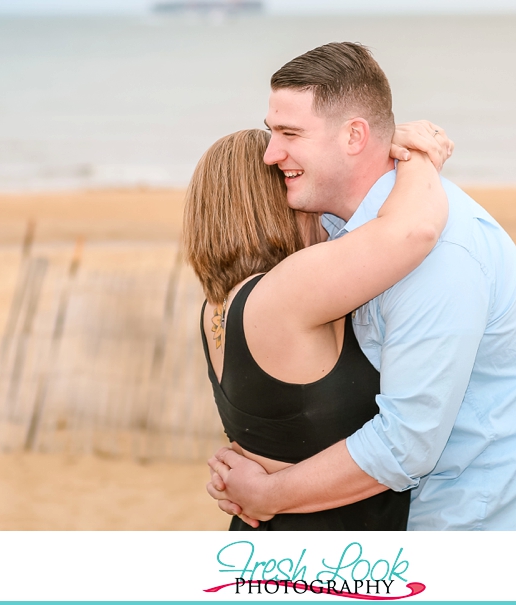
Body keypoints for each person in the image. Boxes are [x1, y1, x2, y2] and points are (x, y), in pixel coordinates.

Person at [207, 42, 516, 531]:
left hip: (463, 524)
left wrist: (269, 493)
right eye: (273, 133)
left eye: (290, 133)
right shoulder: (344, 233)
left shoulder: (439, 255)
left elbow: (404, 445)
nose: (271, 154)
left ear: (355, 136)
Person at [184, 123, 451, 530]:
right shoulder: (285, 292)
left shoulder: (216, 307)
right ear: (273, 204)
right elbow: (416, 229)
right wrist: (418, 157)